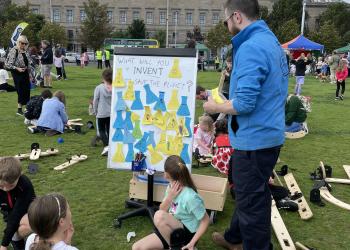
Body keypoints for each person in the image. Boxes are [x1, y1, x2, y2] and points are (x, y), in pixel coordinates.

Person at [203, 1, 288, 249]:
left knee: (252, 203)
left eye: (225, 21)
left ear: (237, 16)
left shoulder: (251, 47)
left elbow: (246, 103)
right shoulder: (269, 40)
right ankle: (234, 238)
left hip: (255, 140)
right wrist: (225, 102)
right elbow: (257, 94)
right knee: (248, 191)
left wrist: (215, 108)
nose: (226, 25)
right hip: (264, 136)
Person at [132, 155, 209, 250]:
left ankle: (177, 247)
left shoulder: (190, 197)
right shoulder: (171, 187)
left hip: (186, 235)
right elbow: (162, 209)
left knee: (159, 216)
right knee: (136, 247)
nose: (164, 174)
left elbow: (205, 221)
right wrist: (170, 197)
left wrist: (192, 243)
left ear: (167, 174)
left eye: (165, 171)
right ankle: (173, 246)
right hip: (170, 231)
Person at [0, 157, 36, 250]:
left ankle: (36, 236)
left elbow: (16, 214)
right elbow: (10, 216)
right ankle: (17, 241)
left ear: (19, 175)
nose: (6, 189)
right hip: (9, 212)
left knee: (28, 224)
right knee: (13, 230)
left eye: (11, 185)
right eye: (1, 186)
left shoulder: (25, 185)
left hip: (29, 211)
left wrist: (4, 244)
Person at [5, 35, 33, 116]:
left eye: (25, 43)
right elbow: (8, 64)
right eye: (22, 43)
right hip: (17, 73)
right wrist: (17, 68)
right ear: (18, 42)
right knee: (20, 90)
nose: (23, 45)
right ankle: (19, 110)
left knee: (27, 90)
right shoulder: (14, 50)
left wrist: (31, 75)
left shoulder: (26, 51)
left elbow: (29, 64)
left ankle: (27, 108)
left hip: (25, 72)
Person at [93, 69, 112, 156]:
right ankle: (110, 146)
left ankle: (107, 147)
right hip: (110, 113)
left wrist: (94, 110)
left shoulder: (99, 88)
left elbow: (95, 100)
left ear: (103, 77)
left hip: (101, 113)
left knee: (101, 130)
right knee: (108, 130)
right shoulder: (114, 87)